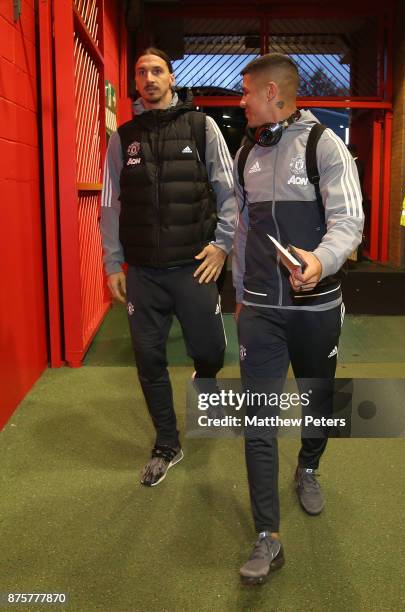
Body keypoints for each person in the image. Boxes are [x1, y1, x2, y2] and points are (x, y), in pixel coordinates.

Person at [232, 54, 364, 584]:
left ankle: (308, 465)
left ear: (272, 94)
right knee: (257, 422)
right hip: (261, 310)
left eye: (245, 92)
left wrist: (319, 260)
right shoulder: (248, 152)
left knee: (318, 399)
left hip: (316, 308)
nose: (240, 101)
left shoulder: (323, 146)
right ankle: (268, 536)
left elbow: (349, 222)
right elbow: (243, 229)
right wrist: (240, 294)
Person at [100, 48, 235, 487]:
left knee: (211, 351)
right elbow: (108, 205)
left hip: (194, 267)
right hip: (143, 272)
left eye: (157, 70)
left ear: (171, 78)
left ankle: (206, 377)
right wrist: (113, 261)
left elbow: (228, 191)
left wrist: (222, 246)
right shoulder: (123, 137)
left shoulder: (201, 127)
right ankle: (166, 443)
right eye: (141, 72)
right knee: (148, 358)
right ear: (136, 83)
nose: (149, 78)